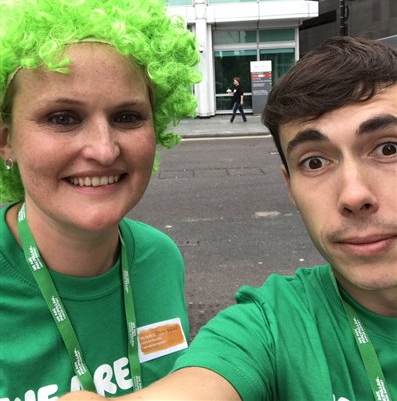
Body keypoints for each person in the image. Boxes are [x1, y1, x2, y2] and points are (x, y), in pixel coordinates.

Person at [61, 36, 396, 401]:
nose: (353, 195)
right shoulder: (272, 324)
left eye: (388, 148)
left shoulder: (155, 255)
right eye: (314, 162)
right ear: (290, 186)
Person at [0, 0, 201, 398]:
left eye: (128, 116)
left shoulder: (158, 258)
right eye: (63, 118)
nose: (103, 149)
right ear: (6, 140)